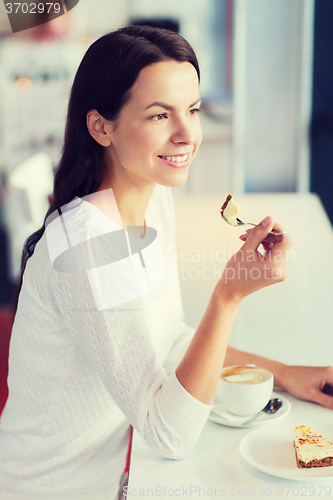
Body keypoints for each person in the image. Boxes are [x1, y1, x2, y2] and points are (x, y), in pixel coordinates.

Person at [0, 24, 332, 500]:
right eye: (159, 115)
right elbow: (170, 436)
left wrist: (285, 373)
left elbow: (169, 339)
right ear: (101, 127)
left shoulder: (152, 199)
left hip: (120, 476)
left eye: (192, 110)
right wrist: (227, 296)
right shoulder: (88, 248)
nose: (187, 135)